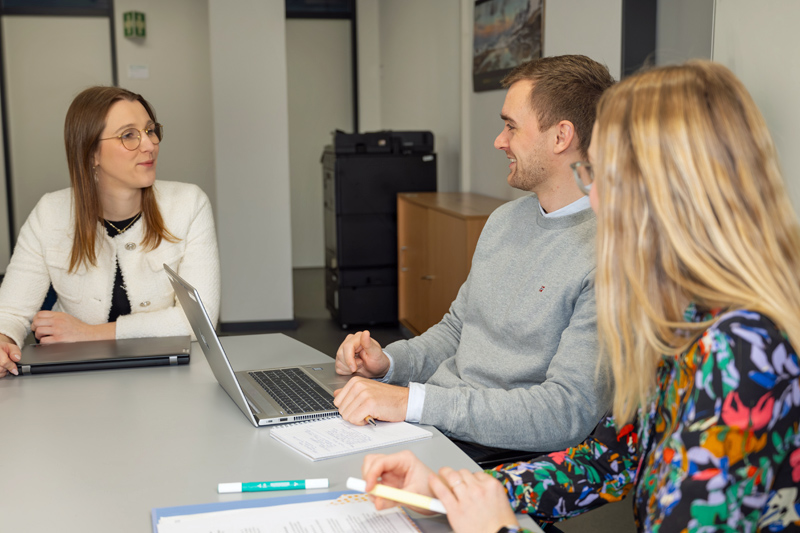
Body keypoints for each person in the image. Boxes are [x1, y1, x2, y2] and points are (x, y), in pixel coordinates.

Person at [358, 60, 800, 532]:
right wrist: (458, 490)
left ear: (672, 189)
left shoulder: (741, 350)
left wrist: (499, 529)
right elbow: (608, 461)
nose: (595, 199)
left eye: (604, 175)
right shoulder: (681, 316)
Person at [333, 55, 616, 458]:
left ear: (560, 137)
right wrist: (389, 365)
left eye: (511, 126)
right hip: (438, 423)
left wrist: (413, 403)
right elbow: (457, 332)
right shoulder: (505, 220)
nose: (500, 141)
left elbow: (564, 412)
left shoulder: (611, 255)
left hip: (496, 451)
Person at [0, 86, 220, 378]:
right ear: (91, 153)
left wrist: (89, 333)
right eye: (129, 135)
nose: (149, 145)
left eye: (150, 131)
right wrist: (3, 341)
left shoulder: (189, 204)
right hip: (77, 381)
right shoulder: (49, 213)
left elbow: (199, 322)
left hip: (166, 377)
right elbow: (10, 313)